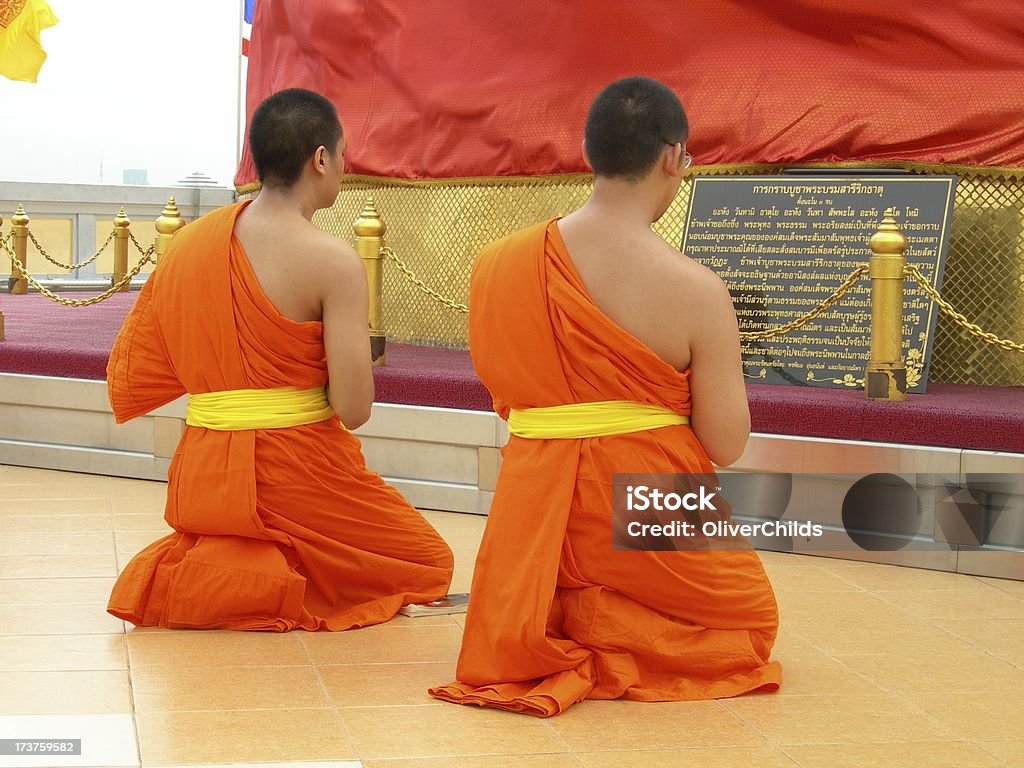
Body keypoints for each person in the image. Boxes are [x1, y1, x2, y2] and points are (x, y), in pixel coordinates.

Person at [428, 76, 780, 715]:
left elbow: (509, 393)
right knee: (747, 624)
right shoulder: (697, 289)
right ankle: (609, 624)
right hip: (642, 501)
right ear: (673, 158)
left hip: (533, 507)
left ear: (590, 154)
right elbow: (726, 444)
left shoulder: (500, 264)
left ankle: (568, 614)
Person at [106, 88, 454, 631]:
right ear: (320, 158)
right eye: (342, 153)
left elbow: (144, 362)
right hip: (298, 471)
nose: (344, 165)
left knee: (273, 545)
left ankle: (234, 569)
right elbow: (354, 408)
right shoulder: (332, 260)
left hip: (203, 472)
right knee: (425, 562)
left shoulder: (188, 248)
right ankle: (254, 576)